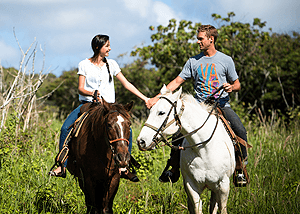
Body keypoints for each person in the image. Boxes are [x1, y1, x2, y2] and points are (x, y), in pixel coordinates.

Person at [146, 25, 248, 185]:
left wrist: (231, 87)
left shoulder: (226, 60)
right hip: (199, 107)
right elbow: (177, 82)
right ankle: (173, 168)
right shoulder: (193, 61)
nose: (198, 41)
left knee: (240, 130)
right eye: (198, 38)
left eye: (201, 38)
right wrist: (156, 98)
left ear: (211, 39)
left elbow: (237, 84)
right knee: (177, 134)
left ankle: (240, 169)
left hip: (221, 105)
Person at [49, 34, 149, 181]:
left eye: (109, 45)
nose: (110, 48)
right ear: (97, 47)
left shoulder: (112, 64)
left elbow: (126, 84)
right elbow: (81, 89)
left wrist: (145, 98)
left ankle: (125, 166)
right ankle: (62, 165)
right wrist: (93, 93)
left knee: (128, 130)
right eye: (106, 46)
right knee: (65, 128)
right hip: (88, 104)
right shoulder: (84, 64)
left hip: (109, 107)